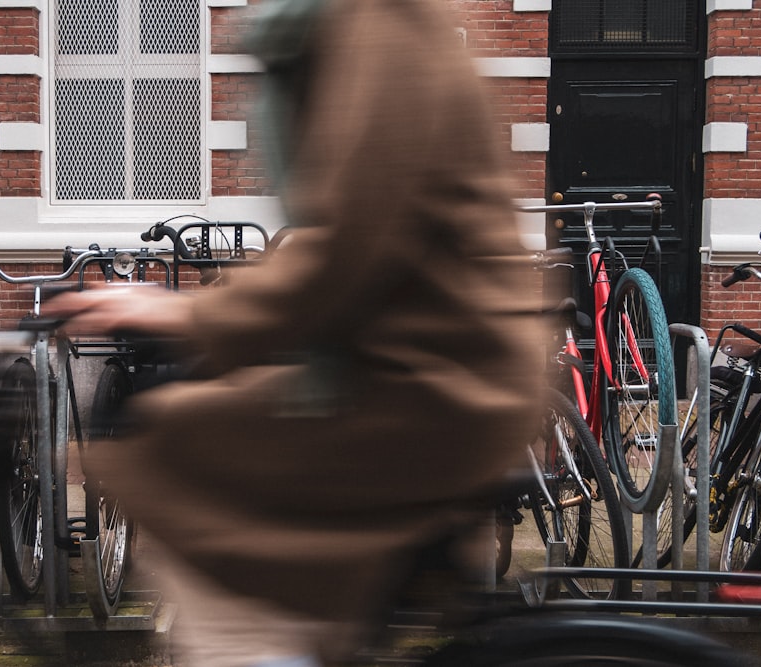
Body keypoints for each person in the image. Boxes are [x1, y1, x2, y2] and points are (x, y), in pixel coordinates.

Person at [45, 0, 544, 665]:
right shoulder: (374, 26)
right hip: (426, 367)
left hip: (436, 385)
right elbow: (344, 234)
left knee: (173, 443)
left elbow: (353, 241)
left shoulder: (385, 29)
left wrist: (190, 315)